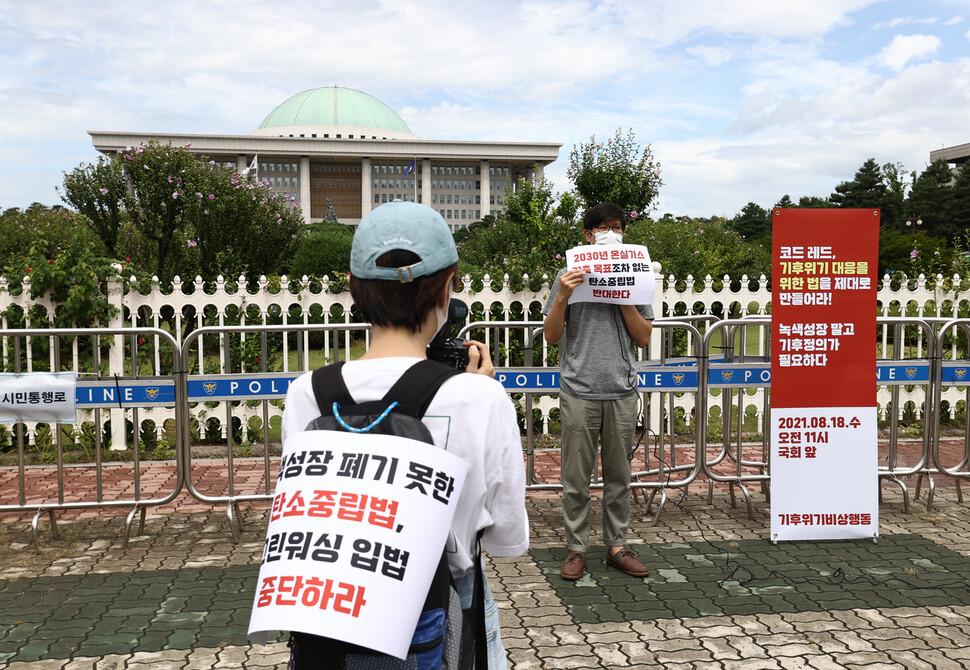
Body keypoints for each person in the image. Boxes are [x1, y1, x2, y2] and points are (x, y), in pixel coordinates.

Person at [280, 199, 529, 668]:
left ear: (355, 289)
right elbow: (506, 538)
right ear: (447, 286)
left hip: (332, 611)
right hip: (449, 608)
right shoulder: (481, 398)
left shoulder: (306, 394)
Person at [542, 202, 654, 581]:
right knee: (576, 479)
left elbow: (642, 337)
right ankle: (576, 549)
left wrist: (623, 296)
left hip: (621, 390)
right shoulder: (568, 275)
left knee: (619, 478)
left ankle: (616, 547)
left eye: (618, 227)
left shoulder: (637, 276)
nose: (613, 233)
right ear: (588, 235)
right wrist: (561, 296)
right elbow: (552, 335)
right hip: (579, 389)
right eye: (605, 228)